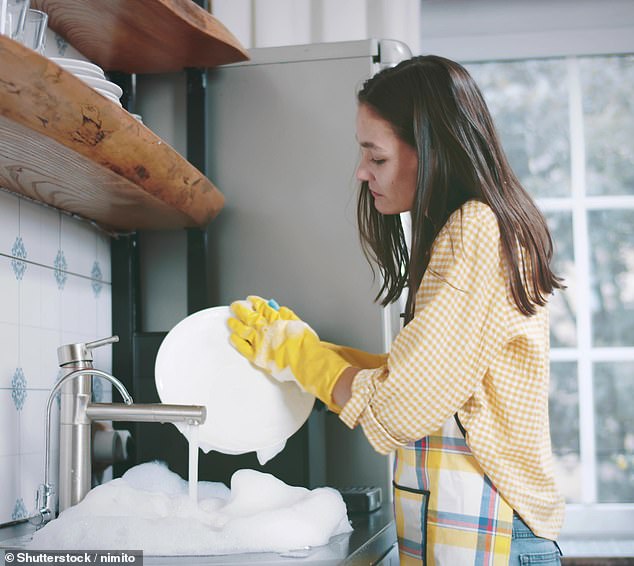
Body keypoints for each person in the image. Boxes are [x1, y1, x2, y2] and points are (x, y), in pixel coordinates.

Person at [228, 55, 565, 565]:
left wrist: (303, 359)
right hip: (480, 529)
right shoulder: (472, 228)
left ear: (431, 150)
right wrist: (311, 350)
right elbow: (438, 383)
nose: (362, 173)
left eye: (376, 157)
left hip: (497, 534)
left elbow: (401, 406)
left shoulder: (477, 229)